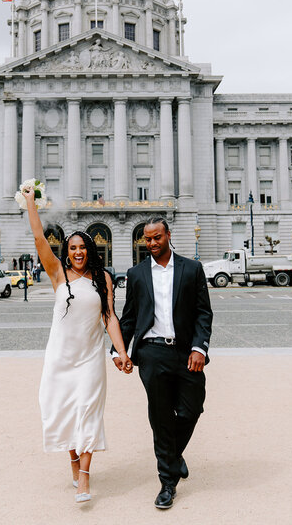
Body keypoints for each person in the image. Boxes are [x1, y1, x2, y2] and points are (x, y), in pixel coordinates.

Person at [22, 188, 133, 503]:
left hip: (89, 358)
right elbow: (39, 239)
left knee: (87, 411)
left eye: (83, 247)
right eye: (73, 248)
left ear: (90, 250)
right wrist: (31, 203)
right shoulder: (57, 273)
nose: (78, 252)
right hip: (60, 357)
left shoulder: (103, 279)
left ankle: (84, 477)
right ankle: (72, 460)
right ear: (67, 252)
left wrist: (121, 351)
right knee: (64, 411)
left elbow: (110, 318)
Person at [111, 217, 212, 510]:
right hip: (152, 353)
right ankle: (167, 482)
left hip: (186, 353)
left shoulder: (191, 268)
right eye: (147, 239)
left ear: (168, 235)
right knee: (161, 416)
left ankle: (172, 457)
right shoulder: (137, 273)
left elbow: (203, 313)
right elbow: (128, 317)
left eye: (157, 237)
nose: (152, 243)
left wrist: (199, 348)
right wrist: (119, 351)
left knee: (193, 407)